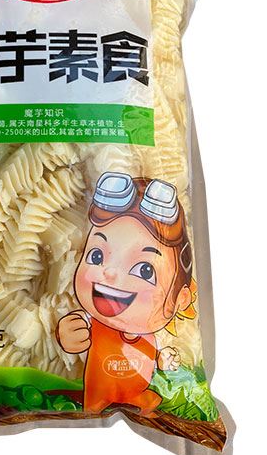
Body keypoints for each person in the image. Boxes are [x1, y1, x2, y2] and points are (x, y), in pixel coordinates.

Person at [56, 172, 196, 415]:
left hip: (139, 392)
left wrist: (165, 360)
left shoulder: (155, 334)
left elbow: (156, 357)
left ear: (181, 299)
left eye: (145, 270)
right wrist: (68, 334)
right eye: (96, 256)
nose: (110, 273)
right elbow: (77, 330)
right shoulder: (93, 321)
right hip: (97, 393)